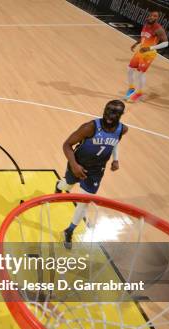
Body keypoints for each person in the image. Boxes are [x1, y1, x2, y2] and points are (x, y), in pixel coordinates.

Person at [55, 100, 129, 248]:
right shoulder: (89, 127)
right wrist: (75, 166)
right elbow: (67, 145)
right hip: (78, 164)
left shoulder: (122, 129)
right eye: (108, 110)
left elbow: (115, 143)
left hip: (96, 170)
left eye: (115, 112)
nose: (110, 115)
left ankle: (69, 230)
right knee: (67, 184)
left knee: (84, 202)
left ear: (121, 115)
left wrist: (116, 159)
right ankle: (59, 184)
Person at [125, 10, 169, 102]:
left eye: (156, 16)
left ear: (158, 18)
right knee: (129, 69)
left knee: (141, 74)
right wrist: (136, 43)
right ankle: (132, 88)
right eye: (152, 15)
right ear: (149, 16)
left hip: (149, 54)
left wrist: (150, 48)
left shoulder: (158, 29)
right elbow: (143, 37)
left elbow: (166, 43)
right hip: (141, 50)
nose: (153, 17)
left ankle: (139, 93)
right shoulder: (146, 24)